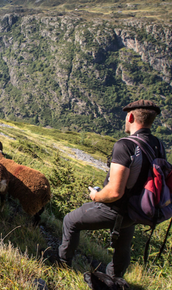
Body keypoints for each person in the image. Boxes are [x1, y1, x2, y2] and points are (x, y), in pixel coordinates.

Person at [58, 99, 164, 278]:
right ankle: (114, 279)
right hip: (137, 210)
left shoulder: (126, 145)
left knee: (70, 221)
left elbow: (115, 191)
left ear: (130, 116)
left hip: (116, 209)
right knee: (122, 247)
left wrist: (96, 196)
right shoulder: (157, 145)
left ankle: (62, 266)